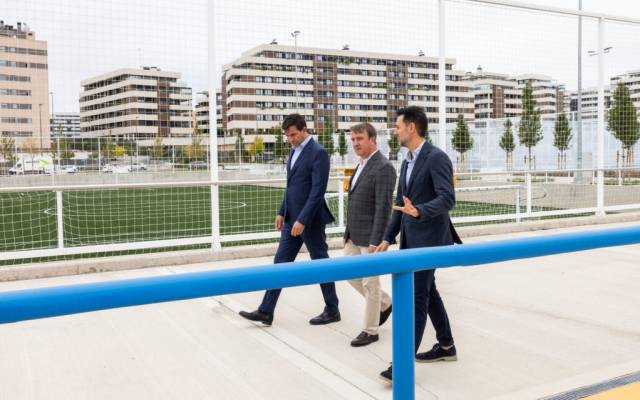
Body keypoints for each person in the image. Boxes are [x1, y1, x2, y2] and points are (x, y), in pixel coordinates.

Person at [376, 106, 462, 383]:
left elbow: (448, 198)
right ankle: (446, 345)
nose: (395, 130)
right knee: (429, 291)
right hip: (412, 241)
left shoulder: (436, 158)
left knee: (417, 297)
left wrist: (421, 210)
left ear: (411, 127)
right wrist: (388, 237)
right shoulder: (407, 161)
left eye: (398, 126)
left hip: (430, 241)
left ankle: (400, 364)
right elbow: (401, 204)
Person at [239, 113, 340, 326]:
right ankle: (266, 311)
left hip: (310, 221)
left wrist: (302, 219)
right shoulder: (293, 151)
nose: (291, 139)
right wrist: (281, 211)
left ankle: (332, 309)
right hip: (290, 219)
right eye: (288, 136)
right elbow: (291, 187)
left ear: (305, 130)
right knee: (280, 264)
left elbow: (317, 192)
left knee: (320, 263)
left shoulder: (319, 153)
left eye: (294, 134)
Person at [343, 123, 395, 347]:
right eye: (353, 139)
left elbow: (383, 208)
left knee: (370, 283)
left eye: (360, 139)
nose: (355, 143)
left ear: (373, 139)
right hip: (354, 235)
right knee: (349, 274)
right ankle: (385, 303)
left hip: (370, 238)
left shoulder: (383, 167)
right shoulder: (361, 164)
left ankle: (371, 330)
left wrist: (377, 241)